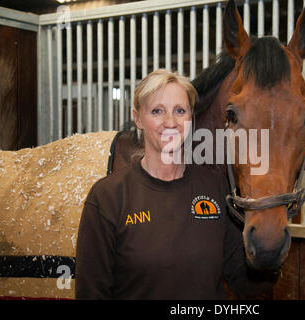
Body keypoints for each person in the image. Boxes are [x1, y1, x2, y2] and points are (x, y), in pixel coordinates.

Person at [75, 69, 274, 299]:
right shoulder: (108, 196)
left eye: (180, 111)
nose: (170, 122)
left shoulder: (216, 187)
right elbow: (91, 293)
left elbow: (243, 282)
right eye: (157, 111)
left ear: (190, 118)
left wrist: (271, 244)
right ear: (138, 118)